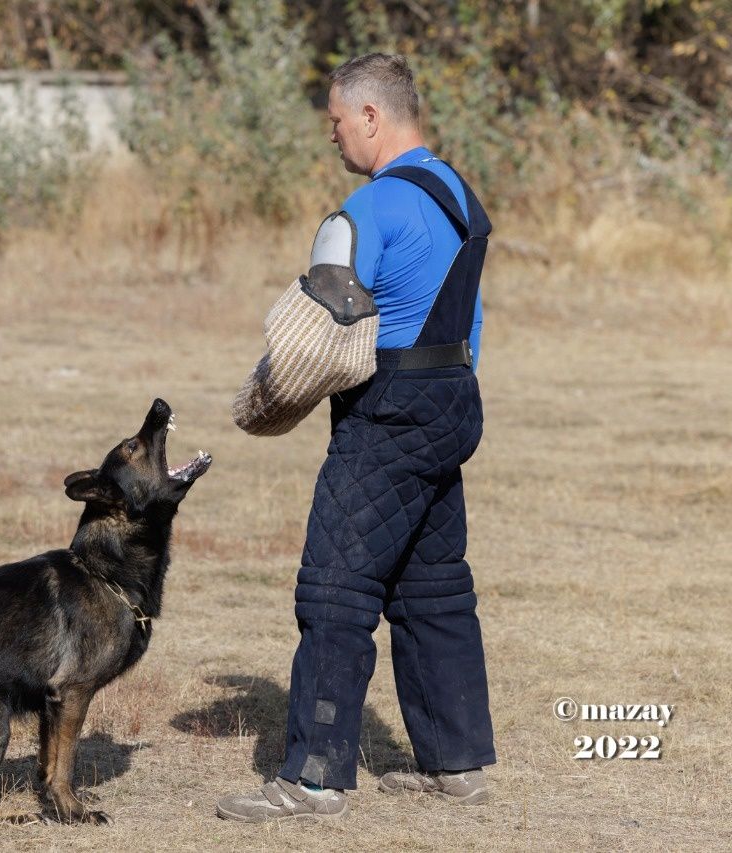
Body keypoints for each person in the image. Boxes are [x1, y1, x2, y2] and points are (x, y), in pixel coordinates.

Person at [216, 53, 496, 823]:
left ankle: (313, 778)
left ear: (372, 117)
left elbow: (319, 339)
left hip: (389, 411)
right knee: (432, 582)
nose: (333, 137)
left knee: (335, 589)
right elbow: (463, 318)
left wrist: (265, 403)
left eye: (337, 122)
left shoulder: (365, 212)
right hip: (455, 399)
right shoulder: (460, 196)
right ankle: (457, 763)